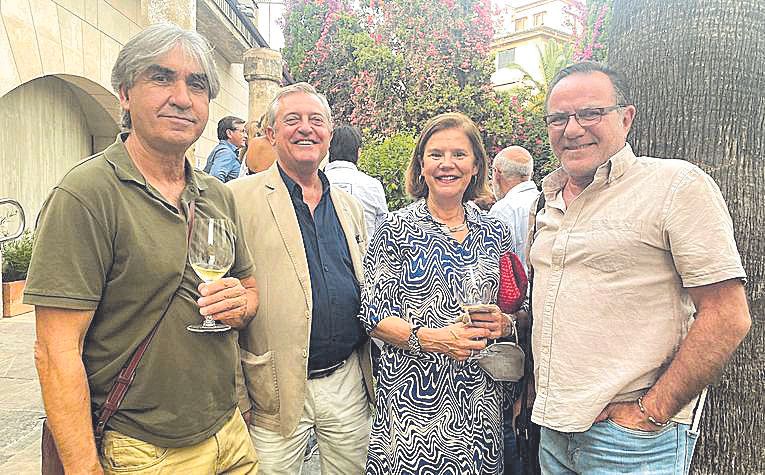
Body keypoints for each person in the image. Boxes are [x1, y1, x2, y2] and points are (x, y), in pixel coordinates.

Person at [25, 24, 260, 474]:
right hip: (140, 450)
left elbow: (248, 290)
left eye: (196, 84)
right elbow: (55, 352)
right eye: (160, 77)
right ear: (125, 95)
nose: (181, 96)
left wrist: (240, 304)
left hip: (227, 433)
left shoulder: (216, 194)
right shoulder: (87, 194)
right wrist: (84, 469)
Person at [528, 61, 750, 474]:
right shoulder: (545, 202)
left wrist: (651, 412)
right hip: (554, 433)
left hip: (631, 443)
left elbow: (728, 315)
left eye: (590, 113)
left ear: (626, 117)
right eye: (558, 118)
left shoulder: (675, 186)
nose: (572, 129)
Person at [360, 112, 520, 474]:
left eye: (459, 155)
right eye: (435, 155)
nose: (447, 164)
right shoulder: (395, 229)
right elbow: (372, 316)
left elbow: (516, 308)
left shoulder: (494, 232)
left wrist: (506, 323)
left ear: (477, 165)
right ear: (421, 166)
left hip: (481, 412)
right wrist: (433, 340)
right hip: (413, 415)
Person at [228, 82, 374, 474]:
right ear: (272, 135)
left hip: (345, 381)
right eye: (292, 120)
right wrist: (237, 398)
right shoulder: (238, 199)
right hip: (273, 387)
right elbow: (222, 309)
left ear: (329, 133)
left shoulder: (348, 206)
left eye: (316, 121)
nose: (306, 129)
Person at [324, 125, 389, 239]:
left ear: (328, 149)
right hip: (366, 255)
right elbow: (384, 230)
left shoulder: (313, 184)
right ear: (359, 152)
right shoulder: (373, 186)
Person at [489, 146, 540, 270]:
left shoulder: (502, 210)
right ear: (530, 175)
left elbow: (493, 265)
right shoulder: (547, 202)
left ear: (497, 173)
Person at [204, 115, 247, 182]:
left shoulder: (225, 151)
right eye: (242, 131)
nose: (246, 136)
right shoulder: (226, 153)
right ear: (229, 133)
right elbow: (215, 179)